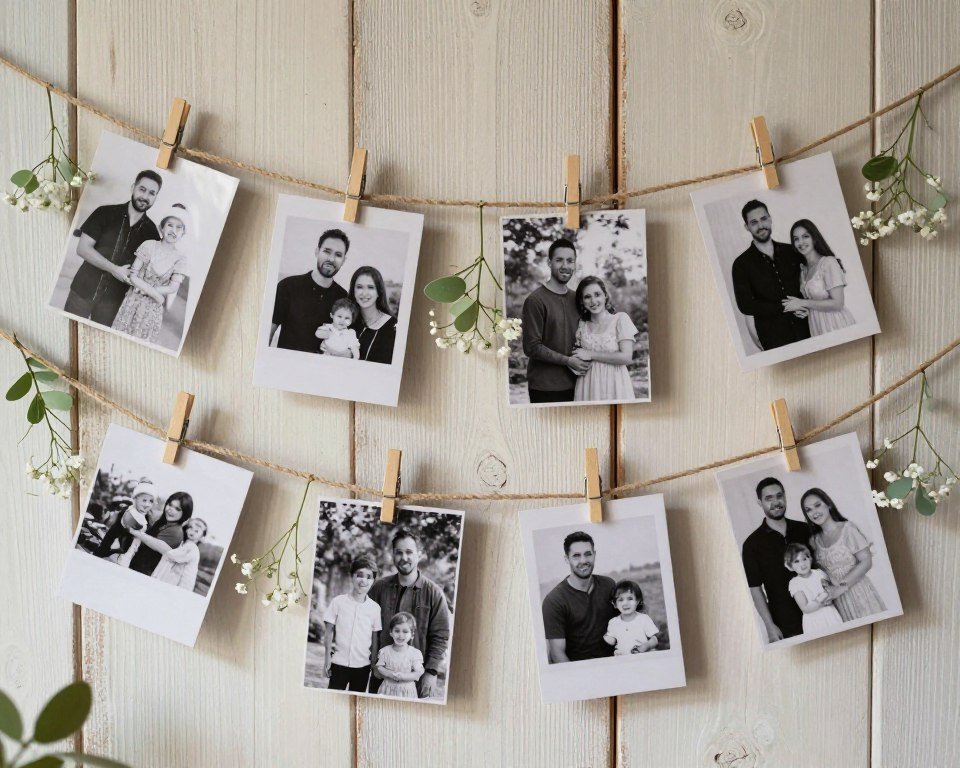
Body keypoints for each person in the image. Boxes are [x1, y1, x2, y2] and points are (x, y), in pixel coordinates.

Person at [64, 169, 163, 326]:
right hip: (82, 291)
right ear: (133, 188)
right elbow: (82, 248)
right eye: (142, 189)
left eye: (152, 193)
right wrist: (114, 269)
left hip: (113, 303)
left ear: (156, 197)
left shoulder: (152, 234)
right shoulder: (104, 212)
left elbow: (147, 271)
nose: (145, 197)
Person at [368, 529, 451, 698]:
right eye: (399, 552)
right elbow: (367, 628)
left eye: (409, 552)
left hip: (416, 679)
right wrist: (373, 664)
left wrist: (431, 672)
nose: (404, 558)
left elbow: (440, 636)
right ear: (392, 555)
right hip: (381, 676)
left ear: (419, 555)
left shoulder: (433, 593)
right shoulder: (379, 588)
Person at [731, 200, 810, 351]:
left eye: (763, 219)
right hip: (774, 338)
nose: (761, 226)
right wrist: (787, 307)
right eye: (754, 222)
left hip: (807, 328)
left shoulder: (792, 252)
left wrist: (808, 306)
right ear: (747, 227)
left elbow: (810, 282)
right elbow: (745, 305)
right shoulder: (741, 264)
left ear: (770, 218)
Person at [741, 477, 810, 642]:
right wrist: (769, 626)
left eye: (779, 496)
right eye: (769, 498)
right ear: (760, 503)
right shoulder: (752, 544)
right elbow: (755, 589)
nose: (776, 502)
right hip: (785, 621)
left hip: (819, 610)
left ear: (785, 497)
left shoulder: (805, 529)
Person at [801, 488, 886, 621]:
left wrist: (840, 588)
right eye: (808, 510)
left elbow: (866, 561)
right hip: (837, 602)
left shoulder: (848, 529)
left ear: (828, 504)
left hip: (859, 593)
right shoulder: (814, 541)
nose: (814, 512)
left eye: (817, 505)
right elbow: (821, 572)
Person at [112, 203, 190, 345]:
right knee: (120, 338)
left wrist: (151, 293)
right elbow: (133, 275)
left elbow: (172, 288)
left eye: (179, 227)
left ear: (184, 233)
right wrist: (155, 294)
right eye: (170, 225)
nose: (174, 230)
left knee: (139, 343)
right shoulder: (149, 245)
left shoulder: (181, 259)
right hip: (133, 299)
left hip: (152, 309)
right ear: (162, 227)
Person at [521, 238, 588, 403]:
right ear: (549, 263)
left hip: (579, 384)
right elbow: (532, 347)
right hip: (546, 388)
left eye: (570, 261)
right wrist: (568, 361)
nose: (565, 266)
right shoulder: (535, 300)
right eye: (559, 260)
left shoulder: (577, 298)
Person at [541, 531, 616, 663]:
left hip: (614, 663)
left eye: (588, 554)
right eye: (576, 556)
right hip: (580, 670)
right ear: (566, 559)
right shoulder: (554, 601)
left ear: (595, 555)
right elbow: (557, 654)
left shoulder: (609, 585)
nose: (583, 561)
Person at [270, 228, 350, 352]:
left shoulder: (343, 298)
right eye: (327, 251)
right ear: (317, 252)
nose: (331, 259)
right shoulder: (288, 286)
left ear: (344, 260)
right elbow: (267, 334)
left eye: (338, 255)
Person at [781, 219, 856, 336]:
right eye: (796, 239)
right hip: (816, 326)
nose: (800, 242)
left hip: (836, 324)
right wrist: (804, 310)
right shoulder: (803, 269)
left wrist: (802, 302)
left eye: (805, 236)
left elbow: (838, 303)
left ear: (814, 238)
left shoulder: (828, 263)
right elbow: (813, 302)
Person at [571, 276, 638, 402]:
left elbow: (626, 357)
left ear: (605, 296)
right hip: (588, 383)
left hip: (615, 382)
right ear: (582, 301)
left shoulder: (620, 319)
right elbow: (577, 354)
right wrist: (574, 363)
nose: (593, 301)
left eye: (597, 294)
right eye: (587, 296)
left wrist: (590, 354)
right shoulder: (582, 325)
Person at [323, 555, 382, 693]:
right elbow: (328, 632)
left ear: (373, 580)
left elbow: (374, 637)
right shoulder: (338, 602)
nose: (363, 580)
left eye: (369, 577)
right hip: (339, 663)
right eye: (359, 575)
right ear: (352, 576)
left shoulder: (375, 608)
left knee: (355, 702)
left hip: (362, 666)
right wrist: (327, 660)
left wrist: (373, 663)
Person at [127, 491, 194, 576]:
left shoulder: (175, 532)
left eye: (177, 509)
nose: (170, 509)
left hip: (144, 574)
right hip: (135, 567)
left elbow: (155, 544)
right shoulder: (164, 523)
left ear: (185, 513)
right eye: (170, 505)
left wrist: (134, 532)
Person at [784, 542, 843, 634]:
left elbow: (832, 589)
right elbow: (805, 608)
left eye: (804, 559)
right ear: (790, 566)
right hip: (814, 619)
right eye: (796, 561)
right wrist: (821, 601)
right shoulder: (795, 583)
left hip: (829, 613)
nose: (802, 564)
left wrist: (829, 595)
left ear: (810, 559)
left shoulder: (819, 573)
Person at [93, 482, 157, 564]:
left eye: (151, 501)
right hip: (116, 547)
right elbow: (112, 534)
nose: (147, 504)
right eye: (144, 500)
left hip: (130, 551)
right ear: (135, 499)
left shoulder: (146, 518)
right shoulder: (128, 511)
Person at [352, 266, 397, 364]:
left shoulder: (393, 327)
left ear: (379, 292)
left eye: (371, 287)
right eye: (359, 287)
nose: (364, 293)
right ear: (353, 290)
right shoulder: (347, 321)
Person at [374, 612, 424, 699]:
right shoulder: (385, 651)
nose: (400, 635)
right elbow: (380, 667)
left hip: (407, 690)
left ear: (412, 635)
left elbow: (419, 672)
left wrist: (403, 676)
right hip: (388, 688)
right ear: (391, 632)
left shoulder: (415, 653)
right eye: (397, 631)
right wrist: (391, 674)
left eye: (405, 631)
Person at [602, 579, 659, 655]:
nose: (625, 603)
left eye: (630, 599)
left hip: (641, 655)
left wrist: (646, 646)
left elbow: (654, 639)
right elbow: (611, 641)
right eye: (620, 600)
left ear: (638, 601)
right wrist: (602, 635)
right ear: (615, 604)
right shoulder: (613, 622)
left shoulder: (644, 619)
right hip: (622, 658)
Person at [151, 517, 206, 592]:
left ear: (202, 538)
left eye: (196, 531)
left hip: (183, 585)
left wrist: (161, 547)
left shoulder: (192, 548)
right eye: (190, 528)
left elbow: (173, 556)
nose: (192, 531)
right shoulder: (185, 544)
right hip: (176, 578)